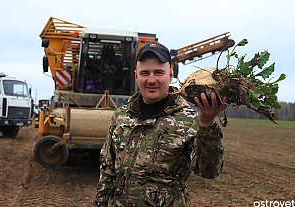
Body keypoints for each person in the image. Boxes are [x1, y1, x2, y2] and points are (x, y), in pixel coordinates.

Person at [95, 41, 227, 207]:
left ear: (170, 75)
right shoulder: (121, 116)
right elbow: (107, 171)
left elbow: (209, 172)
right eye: (145, 73)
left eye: (158, 73)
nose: (151, 80)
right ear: (136, 76)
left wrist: (207, 124)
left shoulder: (190, 120)